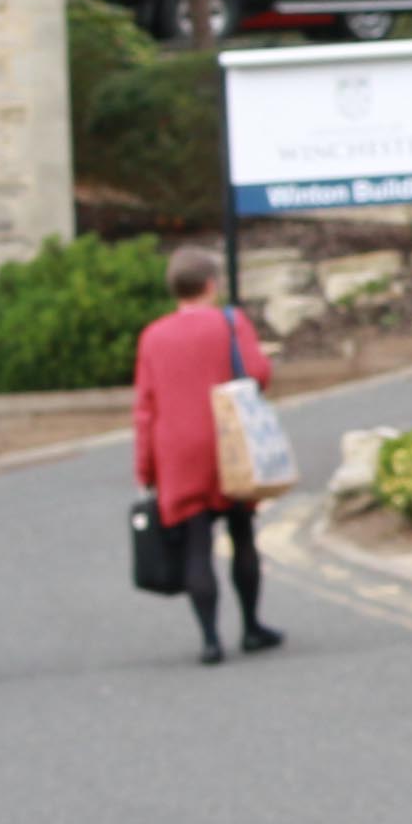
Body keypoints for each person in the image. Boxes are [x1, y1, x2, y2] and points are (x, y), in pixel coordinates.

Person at [132, 246, 286, 666]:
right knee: (241, 535)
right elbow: (258, 374)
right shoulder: (230, 323)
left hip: (177, 451)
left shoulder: (153, 336)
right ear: (211, 284)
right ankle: (251, 627)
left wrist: (145, 468)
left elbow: (145, 407)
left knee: (197, 546)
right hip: (229, 440)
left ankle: (210, 640)